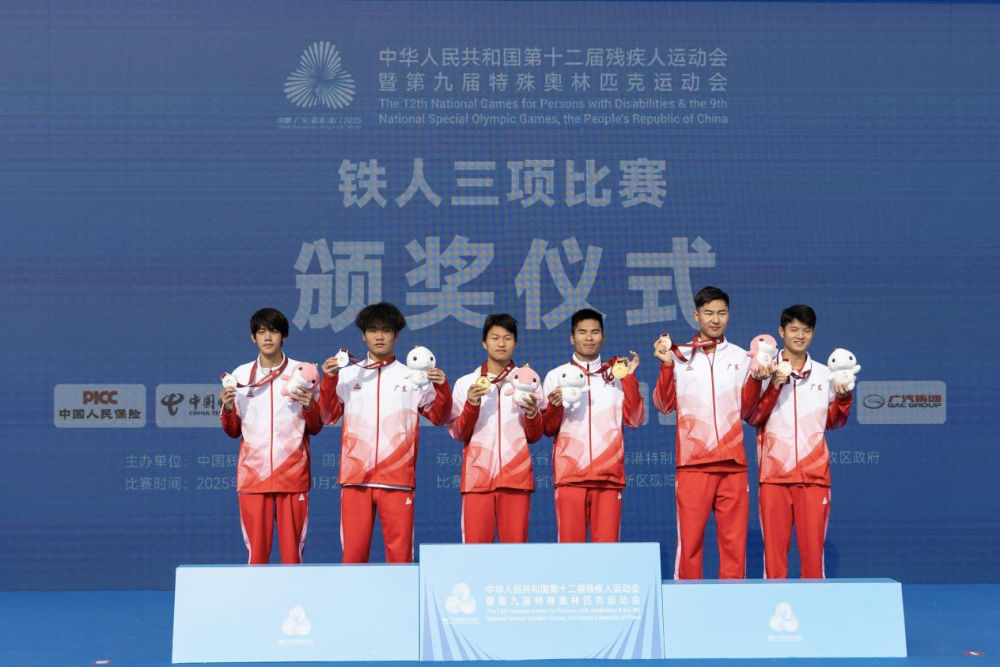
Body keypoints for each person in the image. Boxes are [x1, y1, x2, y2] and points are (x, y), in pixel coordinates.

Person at [318, 302, 451, 563]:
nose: (379, 336)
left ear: (396, 335)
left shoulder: (412, 377)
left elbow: (439, 417)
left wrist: (442, 387)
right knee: (353, 558)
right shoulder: (348, 375)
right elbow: (328, 416)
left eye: (386, 330)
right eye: (373, 330)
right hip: (356, 480)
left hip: (397, 480)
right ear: (363, 335)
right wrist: (330, 380)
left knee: (400, 559)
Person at [653, 286, 768, 579]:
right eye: (708, 313)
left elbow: (749, 411)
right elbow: (663, 405)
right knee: (690, 543)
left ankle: (733, 600)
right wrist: (666, 367)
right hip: (693, 465)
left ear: (729, 315)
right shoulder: (679, 356)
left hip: (733, 464)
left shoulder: (743, 357)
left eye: (721, 313)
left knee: (734, 545)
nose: (715, 319)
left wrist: (756, 380)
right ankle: (685, 600)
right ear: (696, 315)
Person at [742, 304, 853, 578]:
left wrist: (843, 399)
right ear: (781, 332)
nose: (800, 336)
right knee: (774, 559)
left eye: (806, 330)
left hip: (814, 479)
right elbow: (752, 416)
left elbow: (834, 422)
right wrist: (773, 386)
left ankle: (814, 605)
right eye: (793, 329)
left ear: (813, 333)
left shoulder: (825, 374)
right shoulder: (763, 370)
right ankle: (774, 606)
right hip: (773, 478)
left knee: (813, 558)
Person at [220, 307, 322, 564]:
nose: (267, 337)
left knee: (292, 557)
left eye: (274, 331)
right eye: (261, 332)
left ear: (284, 336)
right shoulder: (240, 375)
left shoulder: (303, 372)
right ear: (253, 337)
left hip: (292, 476)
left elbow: (316, 426)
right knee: (256, 557)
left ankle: (293, 592)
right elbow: (233, 431)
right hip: (253, 477)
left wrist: (311, 405)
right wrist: (229, 407)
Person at [542, 308, 643, 542]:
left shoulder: (617, 374)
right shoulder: (556, 376)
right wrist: (555, 407)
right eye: (582, 332)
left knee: (608, 554)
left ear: (603, 338)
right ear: (572, 338)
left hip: (609, 478)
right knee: (570, 552)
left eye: (595, 332)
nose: (589, 338)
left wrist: (629, 378)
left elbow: (635, 419)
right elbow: (548, 429)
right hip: (570, 477)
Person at [448, 313, 543, 543]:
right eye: (495, 338)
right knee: (476, 553)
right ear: (484, 343)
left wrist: (532, 414)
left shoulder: (529, 382)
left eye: (507, 338)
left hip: (516, 479)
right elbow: (458, 433)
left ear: (515, 343)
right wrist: (472, 403)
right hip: (477, 480)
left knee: (515, 553)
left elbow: (534, 436)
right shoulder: (466, 383)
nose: (501, 343)